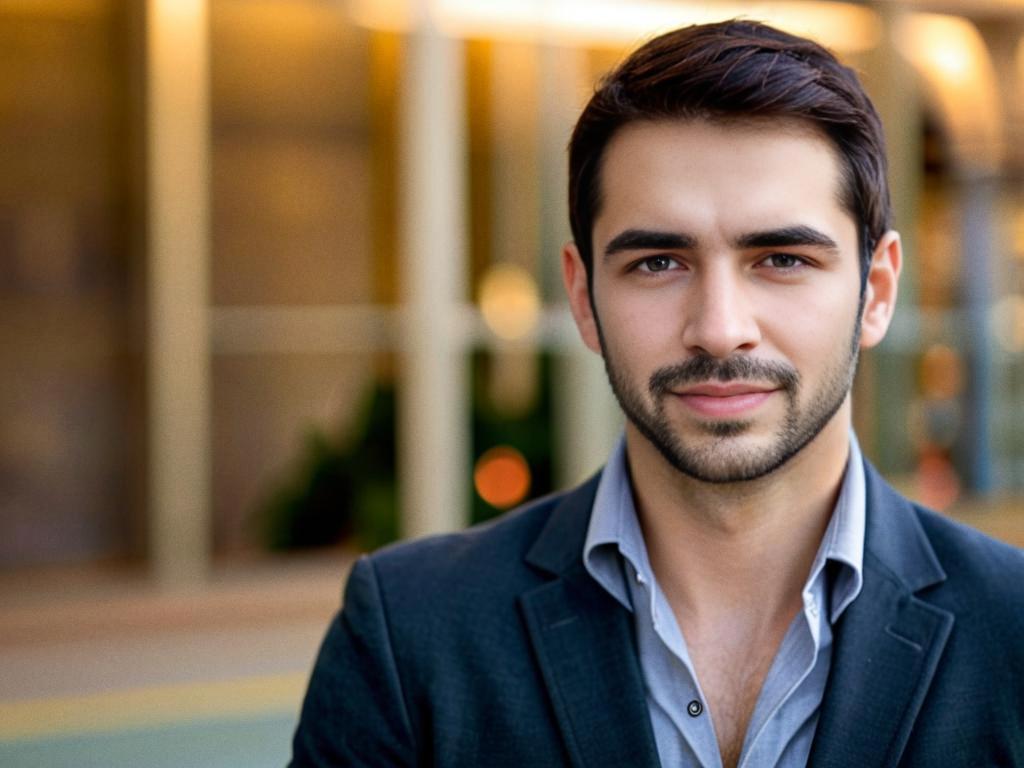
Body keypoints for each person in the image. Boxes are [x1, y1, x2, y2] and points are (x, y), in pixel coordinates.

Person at [290, 20, 1024, 768]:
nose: (719, 329)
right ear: (583, 298)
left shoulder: (1016, 631)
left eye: (781, 258)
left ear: (876, 292)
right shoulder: (408, 633)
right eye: (658, 263)